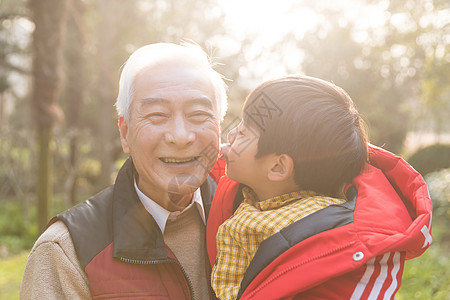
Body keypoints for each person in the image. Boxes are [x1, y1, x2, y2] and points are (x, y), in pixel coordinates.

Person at [20, 42, 228, 299]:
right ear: (125, 134)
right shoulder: (68, 251)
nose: (181, 136)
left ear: (220, 128)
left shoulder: (250, 215)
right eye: (158, 115)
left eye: (198, 114)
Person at [206, 75, 433, 299]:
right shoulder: (247, 197)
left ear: (278, 167)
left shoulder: (323, 241)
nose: (230, 134)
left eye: (243, 132)